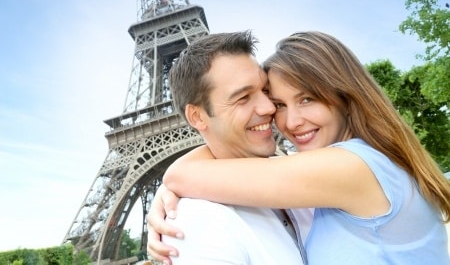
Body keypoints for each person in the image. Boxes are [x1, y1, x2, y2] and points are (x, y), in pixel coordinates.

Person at [148, 31, 450, 264]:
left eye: (307, 99)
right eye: (279, 102)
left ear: (345, 96)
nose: (277, 114)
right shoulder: (204, 220)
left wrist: (171, 183)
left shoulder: (352, 167)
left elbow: (183, 175)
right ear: (197, 116)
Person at [148, 31, 309, 264]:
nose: (268, 107)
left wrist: (174, 178)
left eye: (265, 91)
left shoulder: (305, 175)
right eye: (243, 98)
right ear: (197, 116)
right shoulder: (198, 221)